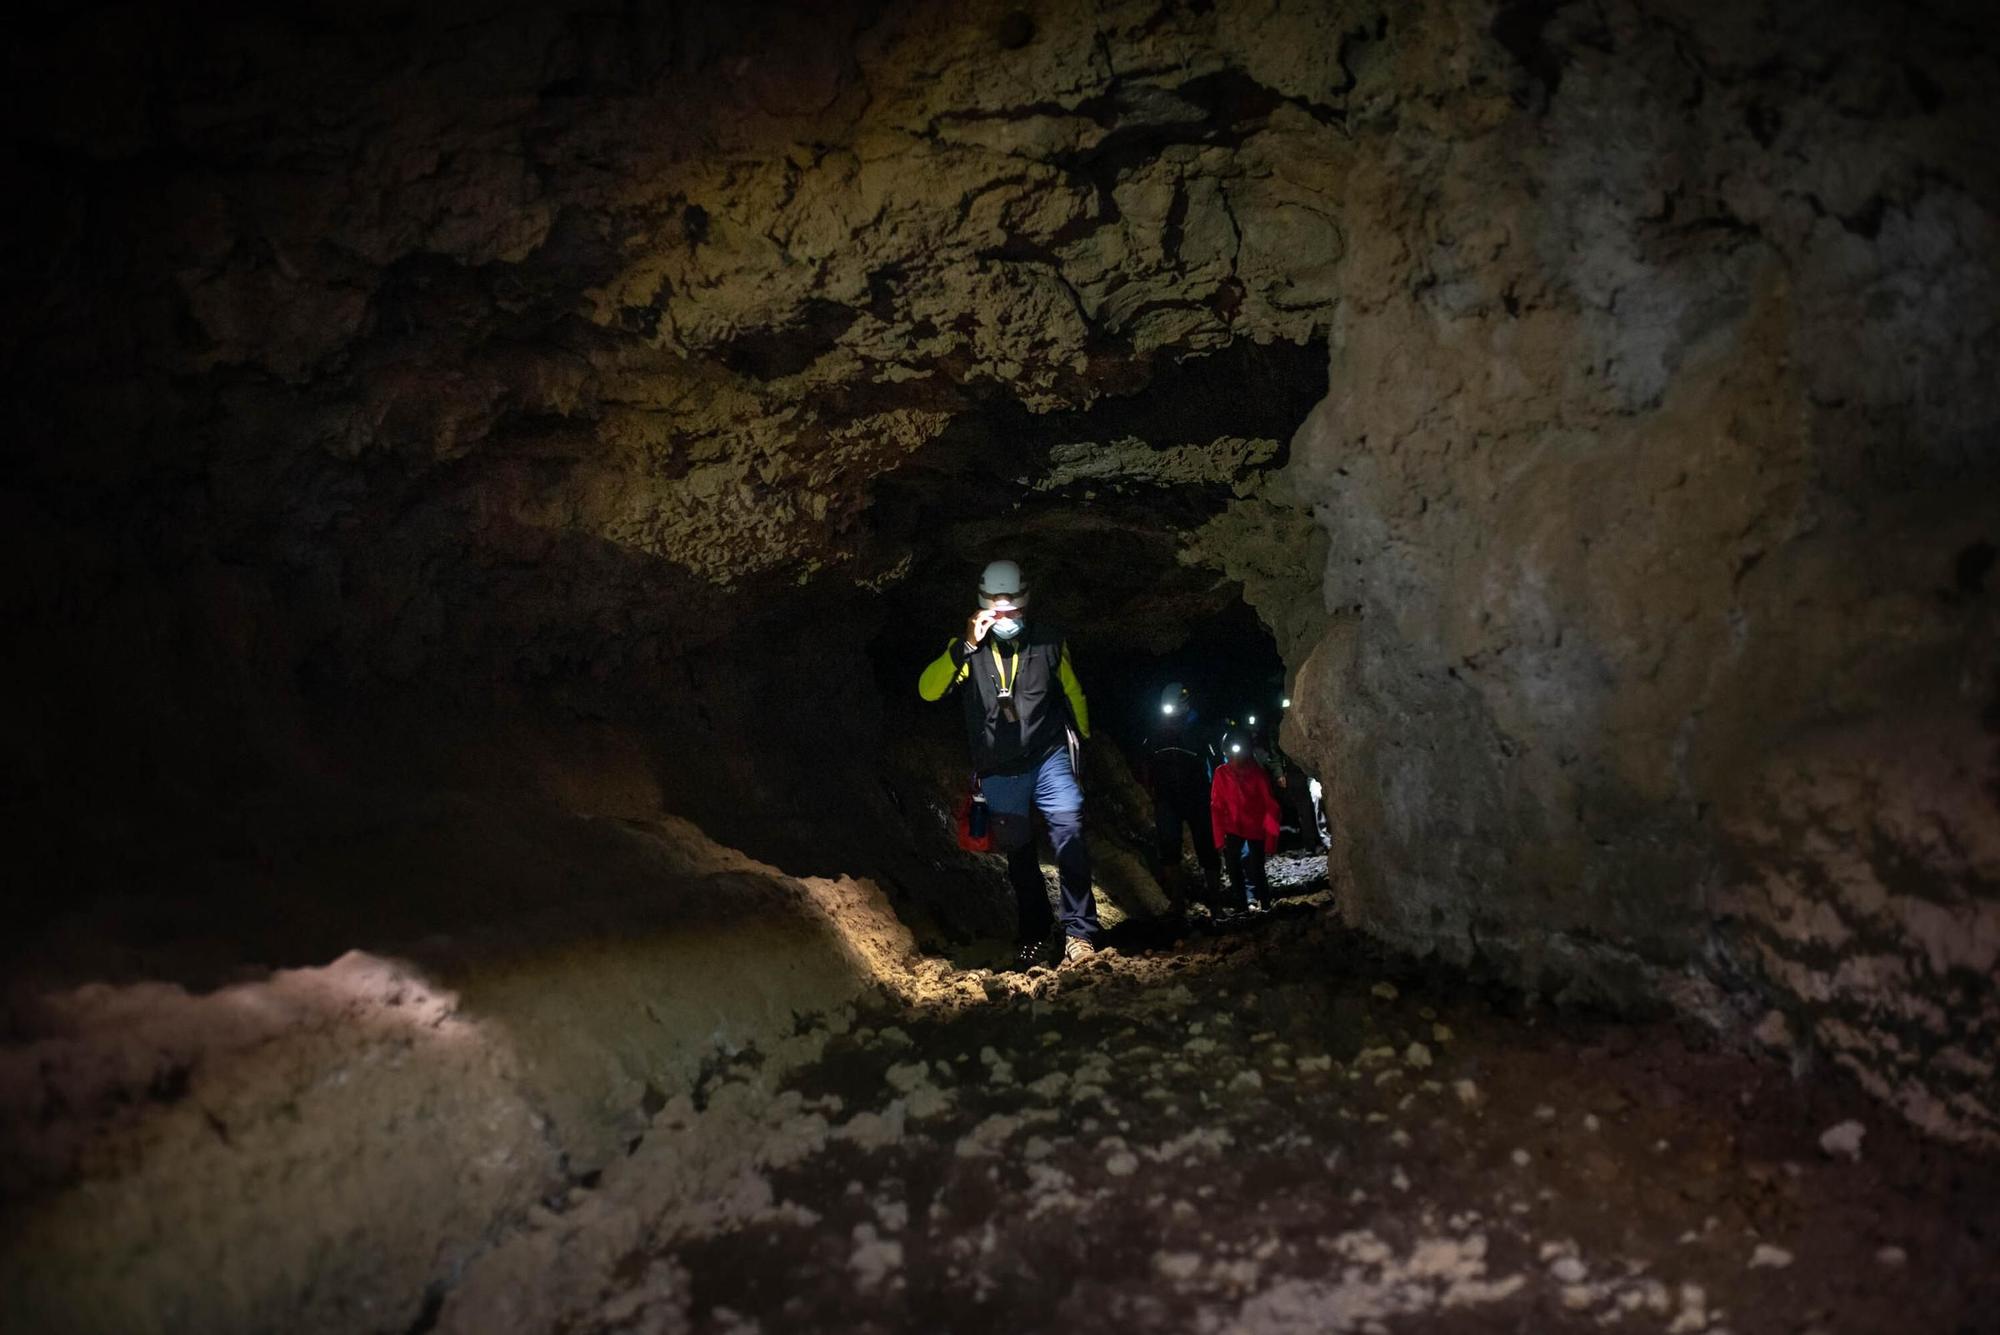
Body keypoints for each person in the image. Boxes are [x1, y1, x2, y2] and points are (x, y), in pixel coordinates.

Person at [917, 559, 1099, 969]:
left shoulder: (1050, 641)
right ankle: (1036, 933)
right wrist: (964, 647)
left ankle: (1080, 934)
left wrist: (1083, 745)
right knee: (1019, 855)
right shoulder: (966, 650)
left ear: (1025, 602)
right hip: (999, 768)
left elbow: (1073, 693)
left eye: (1012, 607)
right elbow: (928, 691)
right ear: (982, 605)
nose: (1005, 616)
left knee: (1069, 831)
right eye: (996, 608)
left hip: (1048, 754)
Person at [1142, 682, 1221, 915]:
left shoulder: (1199, 728)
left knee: (1206, 846)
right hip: (1167, 799)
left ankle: (1216, 902)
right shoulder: (1156, 730)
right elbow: (1145, 761)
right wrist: (1151, 791)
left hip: (1197, 796)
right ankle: (1178, 903)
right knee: (1169, 849)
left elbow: (1216, 762)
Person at [1211, 727, 1281, 914]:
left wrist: (1271, 842)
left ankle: (1265, 905)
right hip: (1233, 828)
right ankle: (1242, 907)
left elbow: (1271, 808)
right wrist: (1218, 839)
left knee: (1257, 868)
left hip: (1255, 829)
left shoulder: (1257, 774)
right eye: (1228, 754)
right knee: (1234, 869)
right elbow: (1216, 807)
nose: (1233, 759)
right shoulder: (1221, 773)